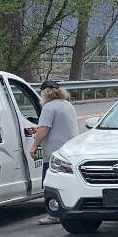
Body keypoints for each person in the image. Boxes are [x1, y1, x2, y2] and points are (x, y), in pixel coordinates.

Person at [27, 81, 80, 224]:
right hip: (70, 150)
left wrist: (34, 146)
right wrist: (37, 130)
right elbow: (57, 126)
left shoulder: (48, 107)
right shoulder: (67, 105)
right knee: (66, 182)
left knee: (50, 183)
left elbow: (44, 129)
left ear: (44, 93)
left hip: (53, 153)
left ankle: (54, 214)